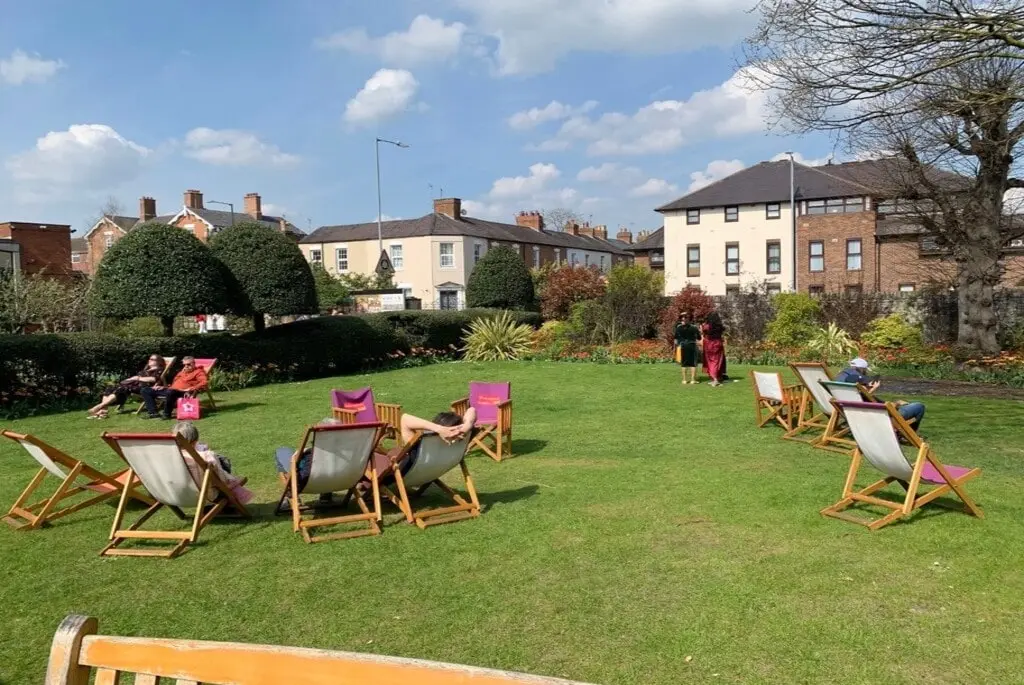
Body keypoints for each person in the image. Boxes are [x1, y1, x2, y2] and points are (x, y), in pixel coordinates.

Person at [836, 357, 926, 433]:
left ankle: (904, 430)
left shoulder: (842, 385)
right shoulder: (860, 397)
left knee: (902, 404)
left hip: (859, 414)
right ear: (862, 369)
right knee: (919, 406)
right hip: (882, 417)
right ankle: (909, 434)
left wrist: (895, 403)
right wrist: (874, 389)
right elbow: (873, 405)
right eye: (865, 371)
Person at [171, 421, 252, 505]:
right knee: (223, 463)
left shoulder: (170, 457)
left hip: (177, 495)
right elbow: (221, 478)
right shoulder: (206, 456)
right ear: (195, 441)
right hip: (206, 496)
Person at [87, 355, 166, 418]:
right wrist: (130, 379)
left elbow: (153, 379)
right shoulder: (146, 370)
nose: (149, 360)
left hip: (143, 388)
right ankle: (103, 410)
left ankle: (100, 406)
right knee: (110, 388)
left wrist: (138, 378)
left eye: (152, 359)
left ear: (159, 362)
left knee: (122, 388)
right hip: (132, 385)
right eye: (149, 359)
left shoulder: (159, 369)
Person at [140, 356, 208, 420]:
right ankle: (153, 413)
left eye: (188, 364)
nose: (186, 366)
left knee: (171, 392)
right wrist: (164, 387)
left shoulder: (198, 372)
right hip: (172, 390)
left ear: (193, 363)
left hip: (183, 392)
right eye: (184, 365)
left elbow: (204, 382)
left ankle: (166, 414)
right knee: (145, 390)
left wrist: (191, 389)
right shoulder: (182, 372)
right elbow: (174, 384)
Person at [674, 312, 701, 385]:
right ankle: (693, 380)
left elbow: (676, 339)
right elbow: (699, 337)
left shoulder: (678, 327)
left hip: (683, 345)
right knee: (693, 363)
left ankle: (684, 380)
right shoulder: (694, 327)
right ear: (689, 319)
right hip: (692, 345)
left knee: (684, 363)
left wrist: (677, 346)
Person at [701, 311, 727, 387]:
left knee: (712, 362)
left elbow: (703, 332)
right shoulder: (720, 326)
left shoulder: (706, 326)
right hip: (718, 343)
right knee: (717, 361)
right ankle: (716, 378)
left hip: (710, 344)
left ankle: (715, 379)